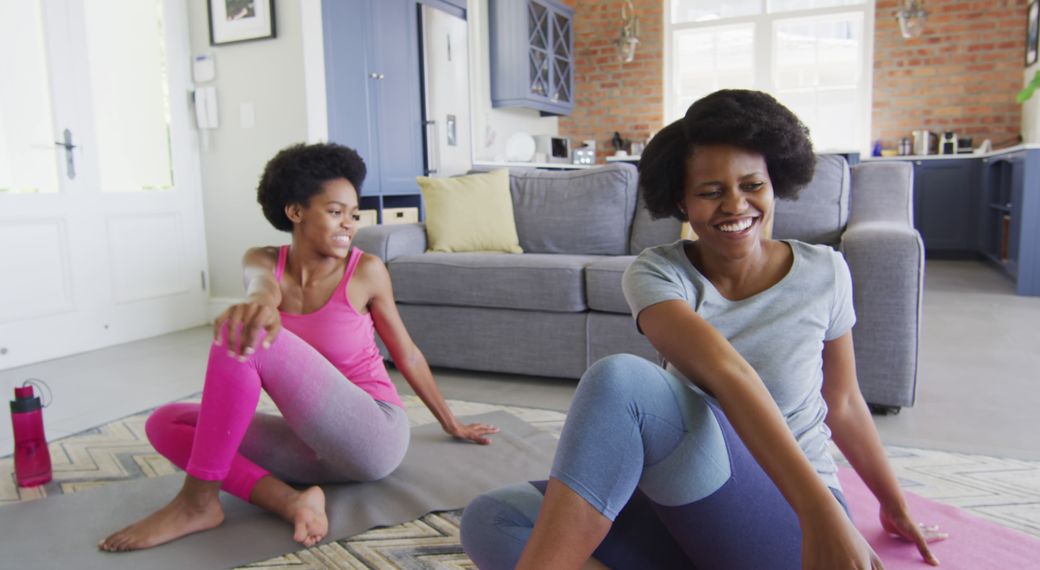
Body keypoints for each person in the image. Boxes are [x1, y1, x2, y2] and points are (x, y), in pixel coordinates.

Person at [459, 90, 947, 569]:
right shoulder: (657, 274)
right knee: (493, 518)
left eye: (752, 185)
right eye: (711, 193)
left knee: (624, 382)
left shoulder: (826, 271)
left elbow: (842, 403)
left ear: (776, 183)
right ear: (682, 203)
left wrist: (879, 506)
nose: (735, 206)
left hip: (797, 512)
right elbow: (725, 372)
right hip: (684, 502)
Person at [99, 142, 498, 552]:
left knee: (246, 337)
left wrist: (451, 422)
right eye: (335, 211)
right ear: (295, 212)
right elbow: (262, 290)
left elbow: (407, 353)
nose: (349, 225)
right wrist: (257, 306)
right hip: (309, 445)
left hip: (373, 437)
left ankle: (197, 502)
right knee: (166, 422)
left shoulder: (366, 271)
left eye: (353, 214)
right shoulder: (262, 260)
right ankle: (291, 501)